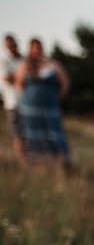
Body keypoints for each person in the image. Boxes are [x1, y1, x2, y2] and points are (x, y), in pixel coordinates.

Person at [15, 37, 72, 168]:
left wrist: (56, 98)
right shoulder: (25, 65)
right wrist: (28, 98)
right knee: (33, 135)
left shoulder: (53, 64)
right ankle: (38, 164)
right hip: (30, 109)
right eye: (34, 48)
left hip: (50, 107)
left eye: (38, 48)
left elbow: (65, 83)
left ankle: (61, 163)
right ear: (30, 50)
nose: (36, 51)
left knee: (53, 133)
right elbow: (19, 84)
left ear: (42, 48)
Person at [2, 34, 25, 164]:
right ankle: (23, 162)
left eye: (13, 44)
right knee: (18, 134)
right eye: (8, 46)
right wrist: (24, 78)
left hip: (28, 103)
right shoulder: (4, 62)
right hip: (13, 103)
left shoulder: (25, 60)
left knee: (29, 133)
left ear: (17, 44)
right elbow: (8, 79)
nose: (11, 47)